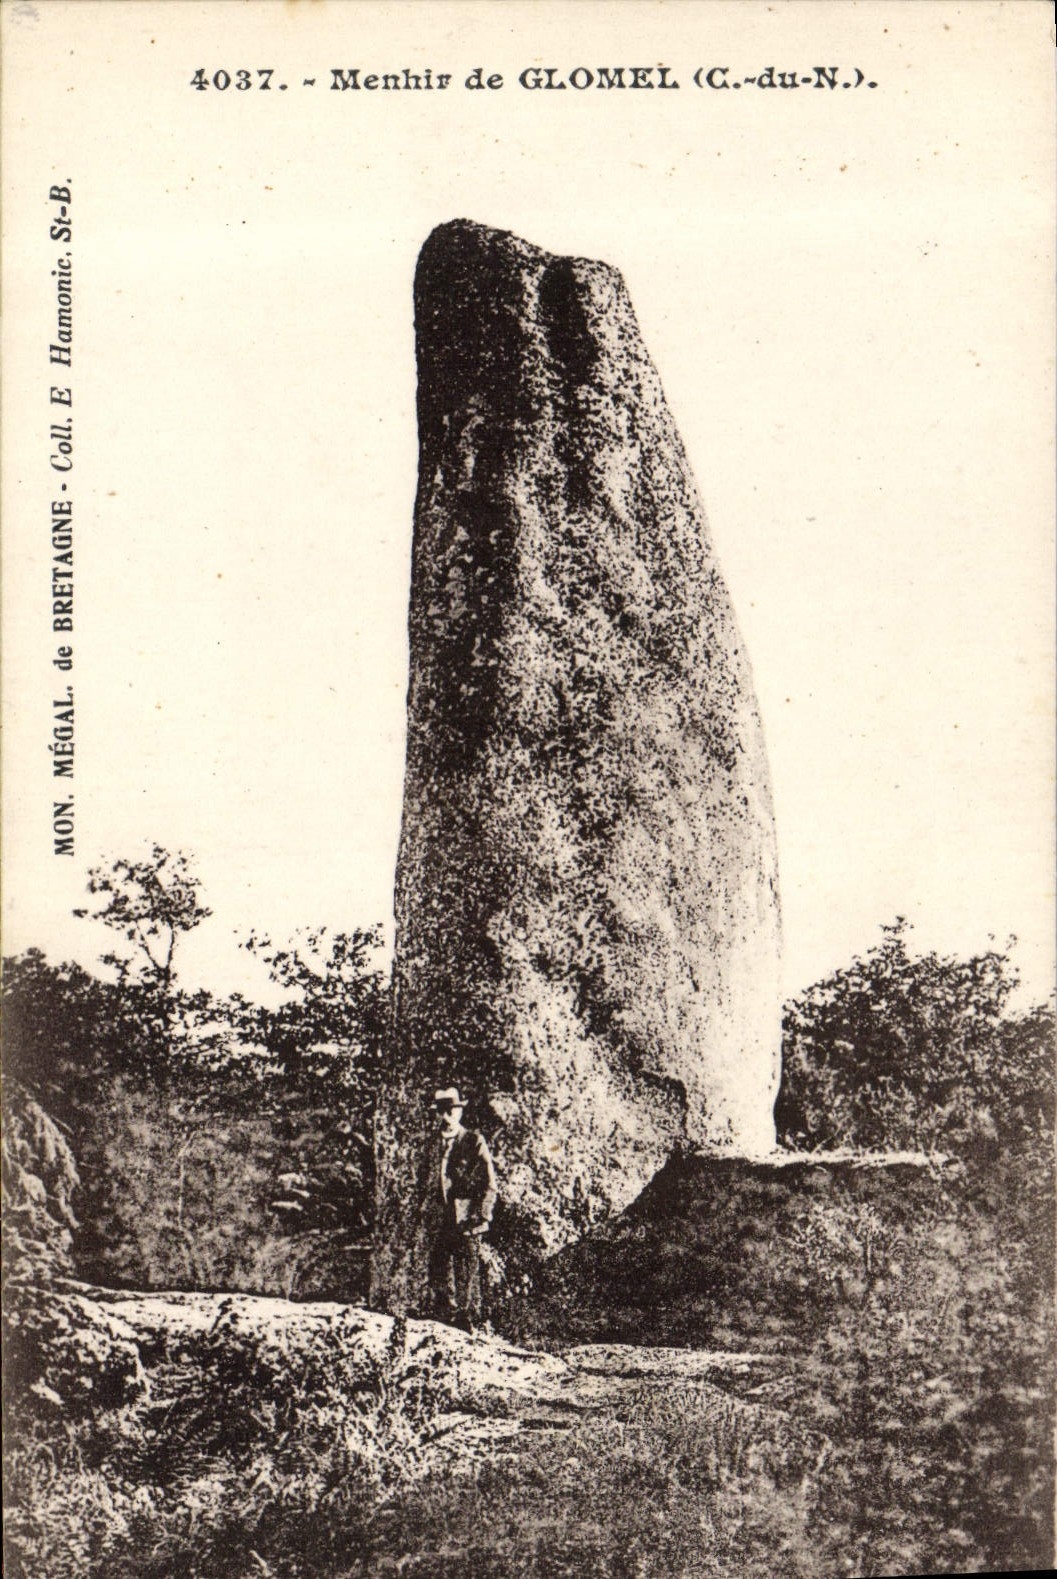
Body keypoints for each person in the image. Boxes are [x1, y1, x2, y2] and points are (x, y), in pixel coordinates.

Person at [428, 1086, 497, 1330]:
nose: (446, 1117)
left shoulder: (472, 1141)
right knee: (438, 1264)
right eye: (441, 1112)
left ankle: (466, 1319)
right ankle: (443, 1314)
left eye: (450, 1111)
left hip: (467, 1216)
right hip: (440, 1215)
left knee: (465, 1268)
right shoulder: (432, 1143)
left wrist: (480, 1216)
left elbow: (489, 1183)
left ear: (459, 1112)